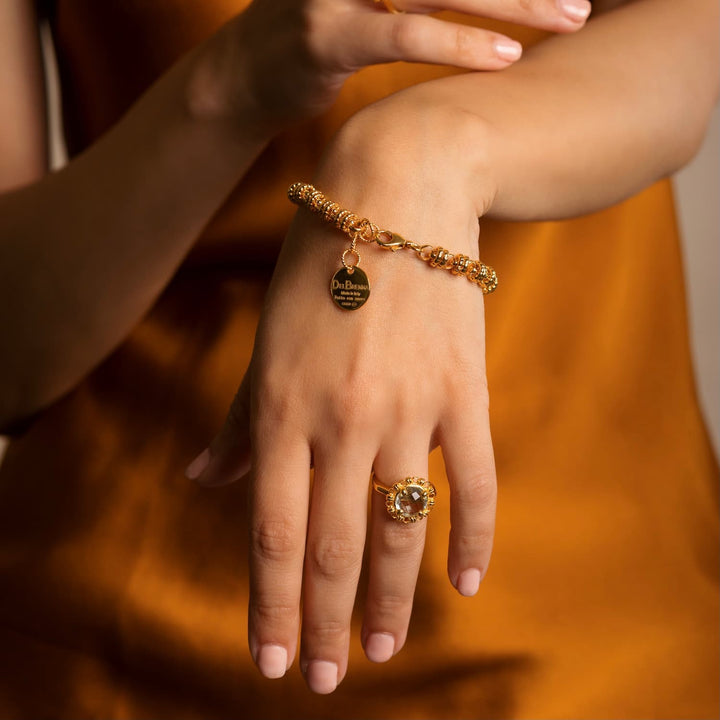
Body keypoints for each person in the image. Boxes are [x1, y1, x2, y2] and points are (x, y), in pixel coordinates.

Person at [0, 0, 717, 716]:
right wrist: (231, 82)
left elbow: (690, 35)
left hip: (590, 628)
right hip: (117, 625)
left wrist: (426, 151)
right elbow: (13, 356)